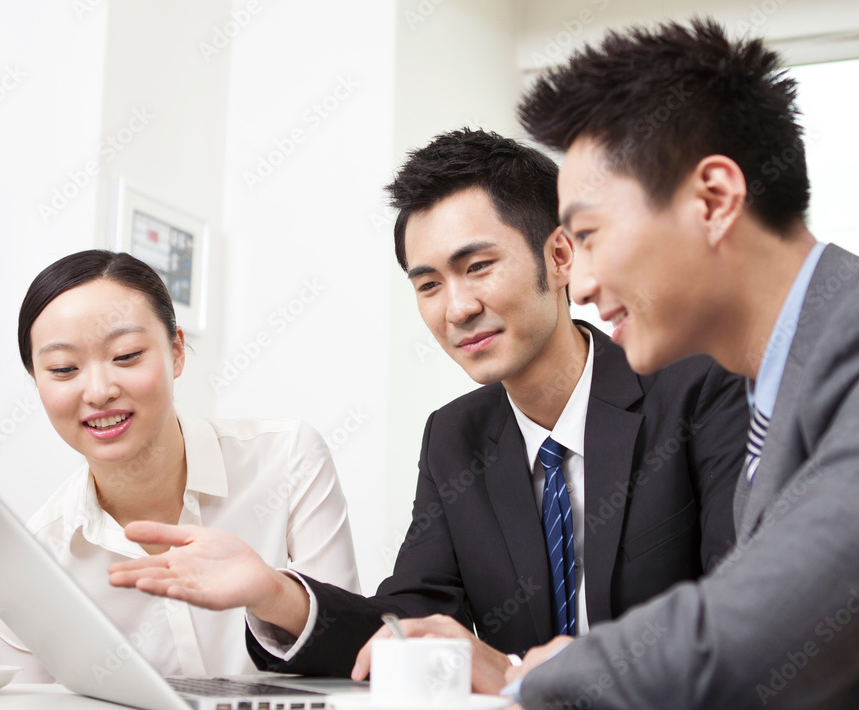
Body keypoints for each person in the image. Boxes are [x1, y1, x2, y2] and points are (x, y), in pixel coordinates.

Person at [108, 129, 748, 692]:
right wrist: (275, 594)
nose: (457, 307)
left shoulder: (696, 388)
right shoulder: (457, 435)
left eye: (479, 266)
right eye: (429, 284)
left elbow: (744, 613)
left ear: (559, 256)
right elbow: (406, 623)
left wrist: (522, 671)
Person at [493, 17, 859, 709]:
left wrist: (539, 679)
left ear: (714, 199)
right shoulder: (772, 392)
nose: (585, 283)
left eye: (591, 236)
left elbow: (754, 635)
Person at [0, 249, 359, 680]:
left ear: (177, 352)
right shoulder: (34, 559)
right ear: (36, 381)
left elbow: (352, 656)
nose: (98, 391)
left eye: (126, 355)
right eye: (63, 368)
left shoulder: (289, 459)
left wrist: (273, 594)